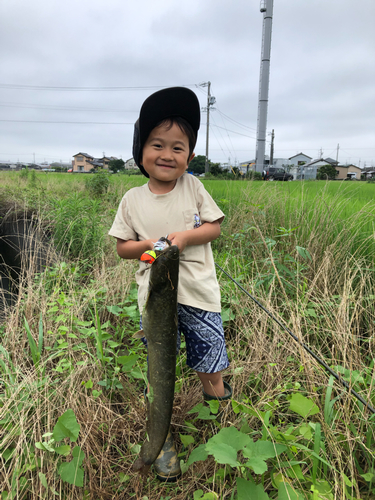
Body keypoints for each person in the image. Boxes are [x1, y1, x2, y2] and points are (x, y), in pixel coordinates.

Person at [109, 87, 231, 481]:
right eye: (157, 144)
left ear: (190, 157)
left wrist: (179, 239)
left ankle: (219, 419)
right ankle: (159, 441)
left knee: (210, 363)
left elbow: (213, 226)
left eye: (178, 148)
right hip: (156, 301)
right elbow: (123, 249)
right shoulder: (131, 198)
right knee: (159, 370)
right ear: (140, 150)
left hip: (199, 295)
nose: (167, 154)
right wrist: (150, 246)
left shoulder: (193, 187)